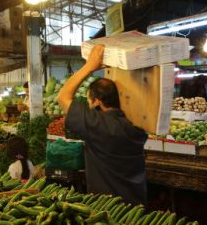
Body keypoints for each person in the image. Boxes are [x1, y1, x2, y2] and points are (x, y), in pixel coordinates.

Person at [57, 44, 148, 204]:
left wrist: (90, 66)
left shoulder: (97, 124)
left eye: (88, 100)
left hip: (107, 207)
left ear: (97, 101)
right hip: (136, 206)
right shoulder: (137, 128)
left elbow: (63, 96)